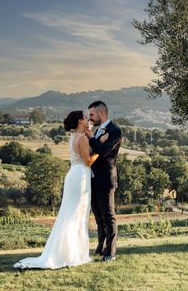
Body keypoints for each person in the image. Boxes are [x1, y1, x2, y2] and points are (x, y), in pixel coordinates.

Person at [14, 111, 99, 269]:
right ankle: (72, 254)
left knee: (70, 213)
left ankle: (68, 252)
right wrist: (100, 151)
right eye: (86, 118)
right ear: (80, 121)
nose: (88, 120)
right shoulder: (82, 138)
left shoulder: (73, 137)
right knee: (77, 215)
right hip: (81, 176)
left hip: (73, 174)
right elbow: (88, 161)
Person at [85, 100, 122, 261]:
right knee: (99, 218)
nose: (90, 118)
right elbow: (91, 151)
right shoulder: (99, 131)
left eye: (92, 114)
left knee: (108, 217)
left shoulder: (114, 131)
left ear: (101, 113)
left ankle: (110, 253)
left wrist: (93, 138)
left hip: (106, 179)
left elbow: (104, 152)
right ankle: (100, 249)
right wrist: (94, 138)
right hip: (92, 179)